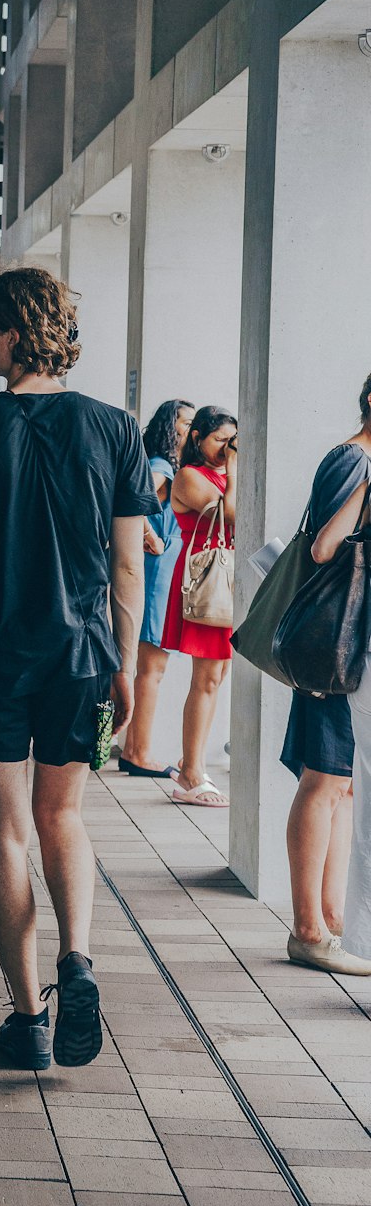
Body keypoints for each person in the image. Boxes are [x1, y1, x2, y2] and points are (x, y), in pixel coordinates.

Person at [0, 267, 157, 1070]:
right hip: (83, 653)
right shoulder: (117, 429)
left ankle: (27, 1021)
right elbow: (129, 567)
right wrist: (121, 661)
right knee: (65, 816)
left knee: (6, 827)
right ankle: (77, 958)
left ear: (14, 331)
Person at [276, 387, 371, 974]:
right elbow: (325, 550)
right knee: (325, 777)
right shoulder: (354, 461)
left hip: (347, 647)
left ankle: (329, 919)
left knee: (342, 783)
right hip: (337, 646)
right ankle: (309, 926)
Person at [160, 406, 238, 808]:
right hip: (206, 582)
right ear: (197, 439)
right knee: (205, 679)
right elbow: (232, 513)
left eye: (233, 440)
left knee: (217, 676)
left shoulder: (222, 476)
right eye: (220, 440)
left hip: (225, 584)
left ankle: (191, 759)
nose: (227, 449)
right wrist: (238, 465)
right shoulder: (190, 476)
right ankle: (191, 773)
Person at [118, 399, 194, 779]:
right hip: (157, 574)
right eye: (186, 422)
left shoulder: (168, 466)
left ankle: (134, 747)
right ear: (172, 426)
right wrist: (150, 535)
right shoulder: (162, 466)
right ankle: (137, 751)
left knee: (149, 665)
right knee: (152, 666)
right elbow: (134, 499)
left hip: (161, 572)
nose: (190, 430)